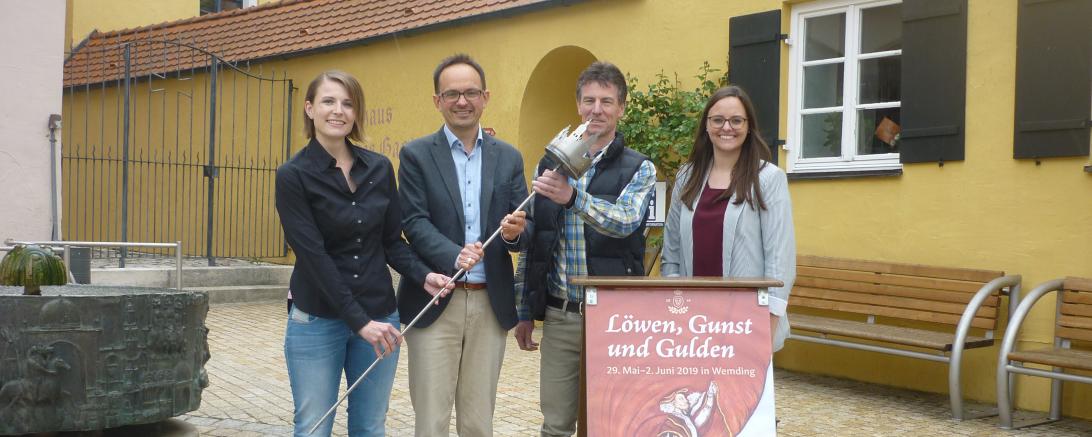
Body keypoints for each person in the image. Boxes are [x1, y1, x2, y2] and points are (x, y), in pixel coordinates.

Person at [275, 70, 454, 437]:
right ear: (309, 109)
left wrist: (423, 274)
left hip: (380, 316)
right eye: (328, 101)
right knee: (313, 427)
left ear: (356, 112)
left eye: (347, 103)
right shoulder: (293, 175)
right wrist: (360, 322)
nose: (338, 111)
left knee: (370, 428)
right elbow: (314, 257)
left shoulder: (379, 168)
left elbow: (391, 242)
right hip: (317, 319)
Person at [515, 61, 657, 437]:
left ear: (621, 108)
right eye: (589, 100)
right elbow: (536, 241)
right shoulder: (550, 164)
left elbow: (625, 221)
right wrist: (524, 310)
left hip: (614, 316)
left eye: (607, 101)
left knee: (609, 424)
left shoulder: (639, 167)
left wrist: (573, 197)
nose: (597, 109)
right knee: (556, 425)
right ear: (578, 105)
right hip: (561, 314)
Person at [396, 54, 529, 437]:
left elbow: (525, 227)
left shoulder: (508, 157)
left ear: (485, 97)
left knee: (477, 422)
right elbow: (413, 222)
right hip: (436, 299)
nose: (462, 101)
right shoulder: (416, 155)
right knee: (432, 421)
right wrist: (452, 254)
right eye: (451, 94)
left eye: (471, 92)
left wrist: (513, 233)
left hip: (490, 303)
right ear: (437, 101)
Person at [660, 85, 796, 353]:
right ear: (706, 125)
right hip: (692, 322)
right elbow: (671, 253)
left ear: (749, 126)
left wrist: (767, 326)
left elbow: (780, 260)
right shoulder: (687, 177)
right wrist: (676, 308)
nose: (727, 127)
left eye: (736, 120)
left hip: (746, 323)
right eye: (718, 120)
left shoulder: (768, 179)